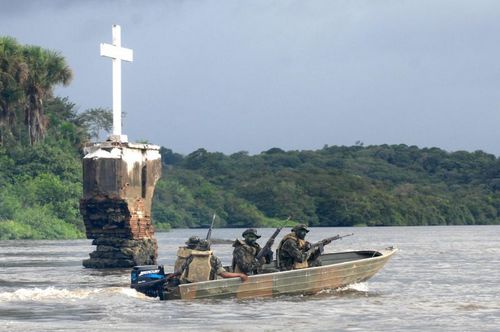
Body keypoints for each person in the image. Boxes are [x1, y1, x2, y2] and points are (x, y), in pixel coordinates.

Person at [179, 239, 248, 283]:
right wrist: (240, 275)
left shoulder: (191, 257)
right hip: (207, 285)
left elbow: (180, 271)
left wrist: (171, 275)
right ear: (209, 247)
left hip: (190, 284)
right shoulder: (213, 259)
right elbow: (224, 275)